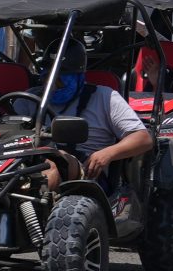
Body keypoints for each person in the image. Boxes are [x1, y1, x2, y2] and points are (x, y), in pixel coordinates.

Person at [38, 65, 152, 204]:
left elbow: (143, 138)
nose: (52, 86)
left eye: (59, 81)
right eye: (47, 79)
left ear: (77, 76)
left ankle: (36, 214)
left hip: (87, 171)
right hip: (32, 157)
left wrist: (107, 154)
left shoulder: (104, 97)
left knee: (53, 163)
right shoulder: (30, 98)